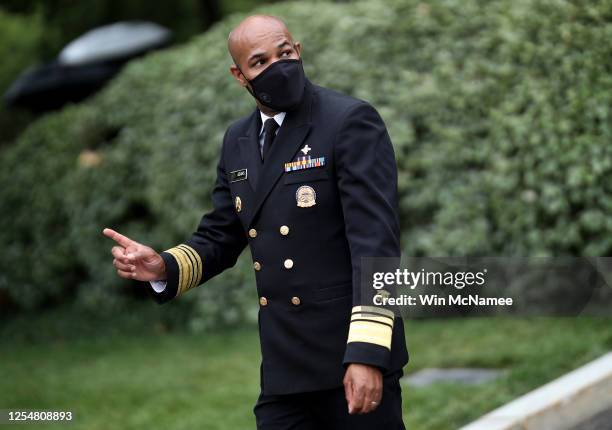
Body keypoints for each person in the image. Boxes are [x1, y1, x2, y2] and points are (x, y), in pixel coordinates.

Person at [103, 14, 408, 429]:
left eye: (285, 53)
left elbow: (376, 246)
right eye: (260, 61)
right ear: (239, 75)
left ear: (298, 51)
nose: (278, 66)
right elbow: (221, 234)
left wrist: (368, 355)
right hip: (285, 366)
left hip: (350, 354)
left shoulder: (348, 122)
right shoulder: (238, 140)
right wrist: (164, 266)